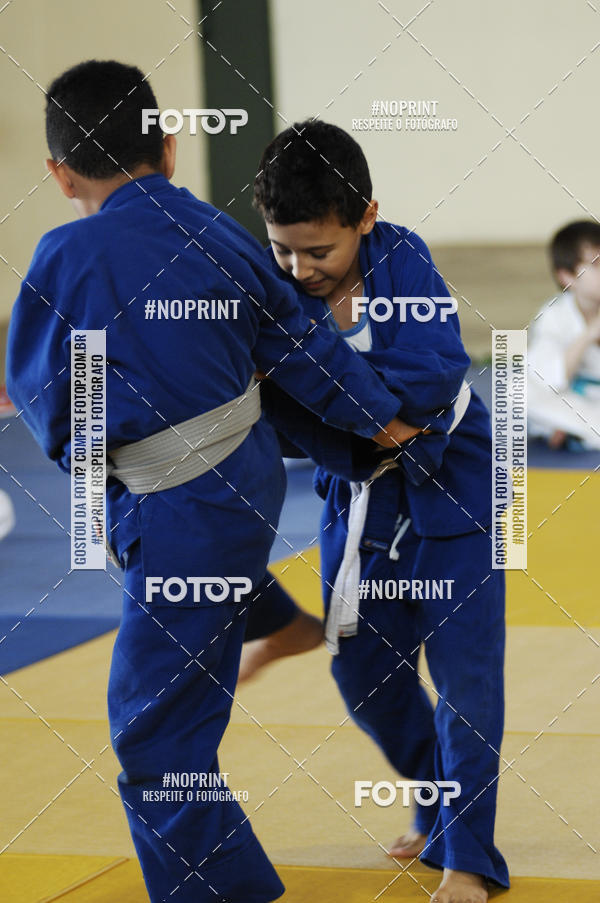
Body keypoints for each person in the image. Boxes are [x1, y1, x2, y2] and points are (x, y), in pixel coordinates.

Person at [6, 62, 422, 903]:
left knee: (154, 736)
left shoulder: (64, 256)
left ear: (59, 172)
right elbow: (300, 340)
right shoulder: (218, 229)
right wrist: (382, 419)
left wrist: (98, 459)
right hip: (250, 481)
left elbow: (52, 409)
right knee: (194, 558)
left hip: (181, 507)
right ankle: (273, 612)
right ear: (166, 146)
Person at [245, 120, 509, 903]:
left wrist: (318, 382)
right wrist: (358, 415)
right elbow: (281, 409)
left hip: (457, 493)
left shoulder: (405, 258)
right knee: (365, 674)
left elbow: (429, 382)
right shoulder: (281, 288)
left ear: (365, 216)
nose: (300, 268)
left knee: (467, 685)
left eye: (318, 251)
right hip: (359, 499)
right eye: (282, 249)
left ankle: (468, 856)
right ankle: (433, 797)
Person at [528, 220, 600, 450]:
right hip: (577, 402)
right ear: (567, 277)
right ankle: (579, 430)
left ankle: (577, 432)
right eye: (596, 264)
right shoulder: (554, 316)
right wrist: (590, 333)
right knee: (518, 391)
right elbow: (549, 380)